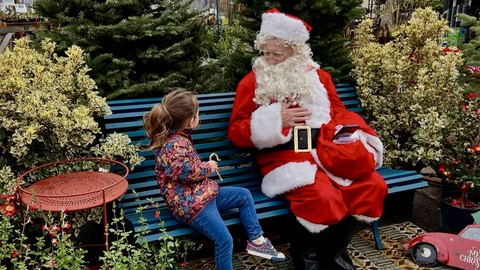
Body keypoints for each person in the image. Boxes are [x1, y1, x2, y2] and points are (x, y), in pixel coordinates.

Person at [228, 8, 388, 270]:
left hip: (325, 152)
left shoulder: (319, 78)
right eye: (265, 52)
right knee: (323, 198)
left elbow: (338, 112)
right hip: (282, 156)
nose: (269, 59)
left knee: (373, 187)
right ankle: (307, 258)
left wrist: (344, 134)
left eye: (276, 54)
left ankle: (333, 252)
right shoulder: (253, 81)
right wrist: (276, 120)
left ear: (295, 51)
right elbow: (236, 130)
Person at [142, 89, 286, 270]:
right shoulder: (174, 144)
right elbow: (186, 172)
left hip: (202, 194)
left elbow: (185, 167)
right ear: (191, 120)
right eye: (197, 114)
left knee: (243, 195)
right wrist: (208, 167)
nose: (198, 116)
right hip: (190, 204)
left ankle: (257, 241)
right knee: (224, 240)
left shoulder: (180, 138)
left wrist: (203, 166)